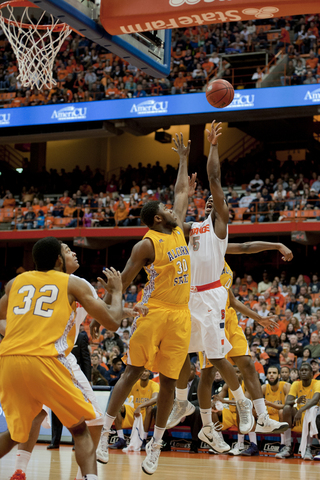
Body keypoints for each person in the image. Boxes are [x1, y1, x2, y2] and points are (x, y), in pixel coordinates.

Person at [166, 123, 290, 449]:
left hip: (210, 298)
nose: (213, 202)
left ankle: (247, 406)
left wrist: (214, 147)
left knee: (220, 361)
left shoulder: (220, 234)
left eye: (218, 204)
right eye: (207, 201)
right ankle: (188, 406)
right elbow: (178, 201)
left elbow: (215, 181)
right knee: (180, 355)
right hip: (185, 298)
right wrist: (183, 169)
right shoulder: (189, 229)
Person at [93, 132, 192, 475]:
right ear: (158, 220)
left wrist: (183, 158)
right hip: (154, 312)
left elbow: (181, 192)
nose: (172, 208)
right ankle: (105, 433)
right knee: (133, 371)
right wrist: (107, 301)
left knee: (169, 380)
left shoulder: (177, 229)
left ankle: (156, 445)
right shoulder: (145, 245)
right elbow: (124, 279)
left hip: (181, 316)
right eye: (165, 209)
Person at [0, 237, 126, 480]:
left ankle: (20, 469)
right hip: (47, 359)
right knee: (81, 430)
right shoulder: (73, 284)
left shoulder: (16, 283)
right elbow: (112, 321)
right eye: (67, 250)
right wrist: (118, 292)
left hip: (10, 360)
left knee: (17, 434)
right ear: (59, 259)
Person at [276, 363, 320, 460]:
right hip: (298, 416)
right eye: (302, 370)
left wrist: (301, 410)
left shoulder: (317, 383)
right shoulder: (296, 384)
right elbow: (287, 402)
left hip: (314, 415)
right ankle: (288, 448)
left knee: (311, 410)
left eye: (306, 370)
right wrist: (296, 401)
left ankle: (308, 448)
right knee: (286, 408)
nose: (303, 372)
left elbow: (315, 400)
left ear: (311, 374)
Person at [212, 366, 259, 457]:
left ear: (242, 373)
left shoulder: (247, 384)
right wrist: (215, 402)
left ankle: (240, 445)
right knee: (213, 410)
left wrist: (225, 401)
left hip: (247, 415)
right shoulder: (228, 384)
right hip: (231, 414)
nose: (235, 374)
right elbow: (218, 398)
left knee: (240, 408)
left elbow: (243, 402)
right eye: (233, 372)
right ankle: (220, 443)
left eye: (238, 372)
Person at [110, 369, 159, 450]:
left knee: (149, 408)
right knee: (118, 407)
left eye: (146, 371)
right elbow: (123, 396)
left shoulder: (154, 385)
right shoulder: (134, 384)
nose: (143, 373)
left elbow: (155, 398)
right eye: (142, 371)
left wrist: (140, 406)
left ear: (149, 373)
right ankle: (121, 439)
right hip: (136, 413)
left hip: (148, 415)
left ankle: (144, 439)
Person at [262, 366, 291, 448]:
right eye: (269, 373)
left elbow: (286, 406)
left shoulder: (286, 386)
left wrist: (269, 403)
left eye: (274, 373)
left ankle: (283, 444)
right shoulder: (264, 387)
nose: (271, 375)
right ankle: (253, 444)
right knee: (251, 410)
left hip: (280, 417)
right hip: (268, 417)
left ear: (279, 376)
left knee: (282, 411)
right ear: (266, 376)